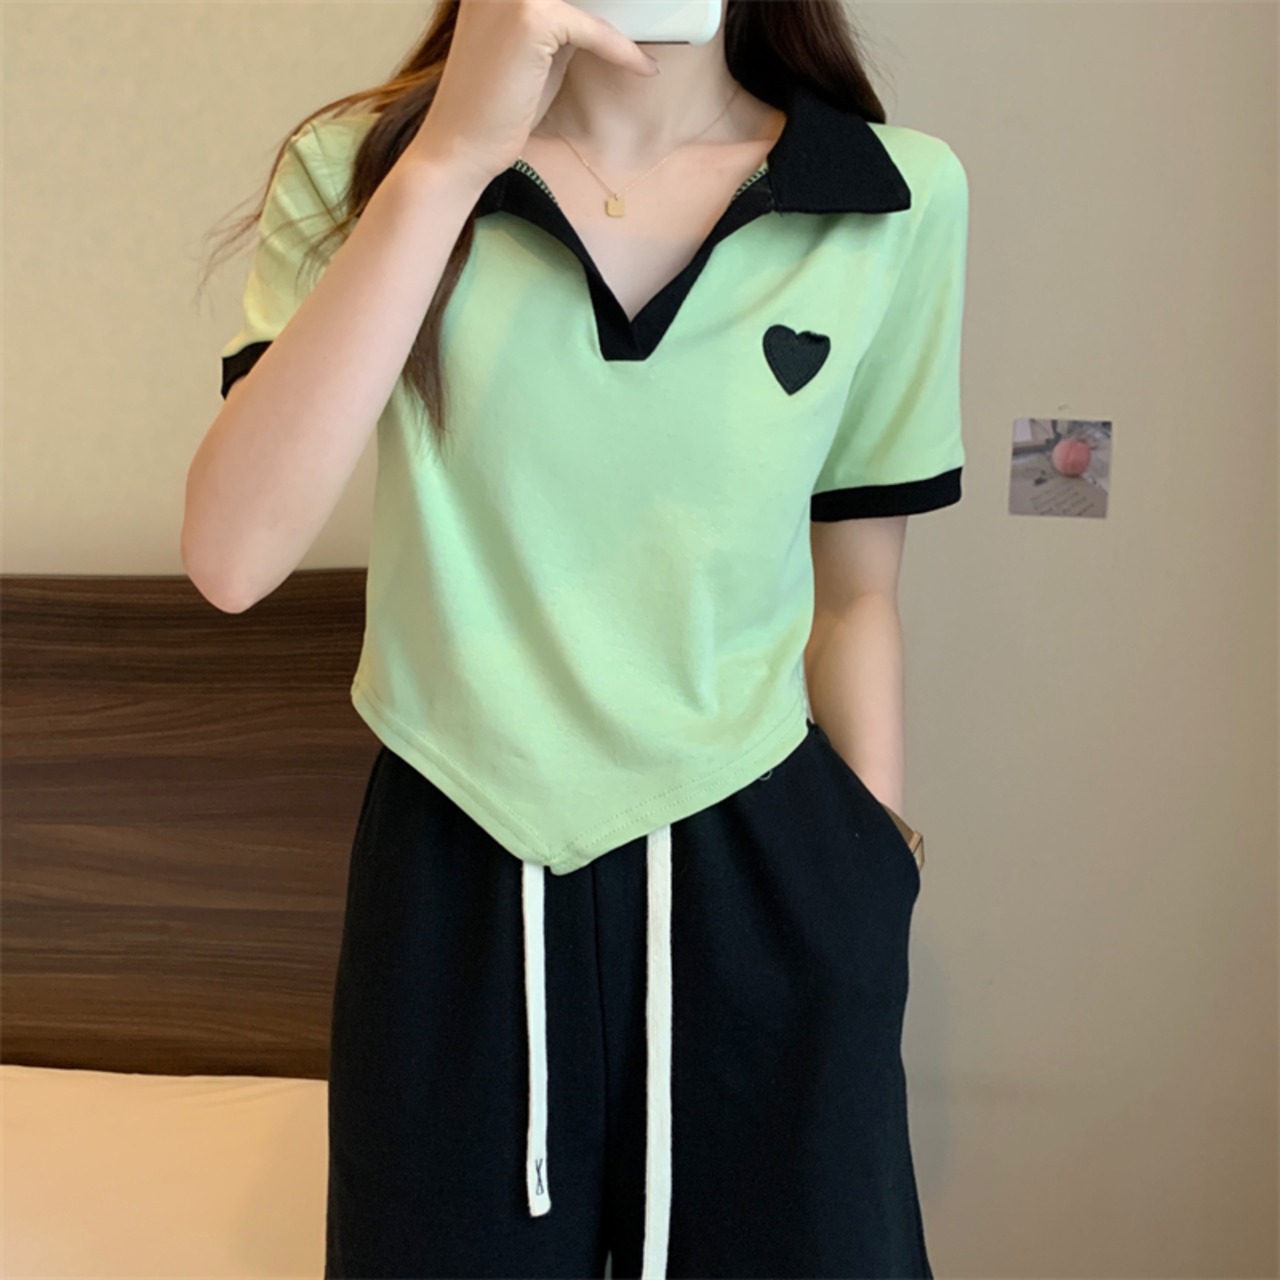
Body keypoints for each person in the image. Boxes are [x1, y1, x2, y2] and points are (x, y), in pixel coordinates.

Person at [184, 0, 969, 1274]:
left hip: (767, 862)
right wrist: (449, 157)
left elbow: (856, 593)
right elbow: (230, 558)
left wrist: (875, 870)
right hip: (457, 857)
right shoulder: (363, 170)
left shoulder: (894, 195)